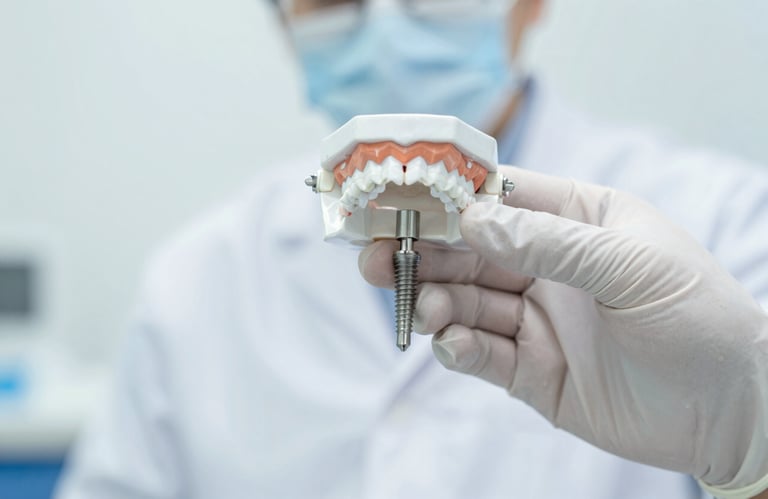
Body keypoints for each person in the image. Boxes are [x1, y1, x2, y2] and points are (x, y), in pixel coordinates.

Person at [57, 0, 768, 498]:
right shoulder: (195, 282)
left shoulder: (726, 221)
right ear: (285, 25)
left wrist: (751, 452)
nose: (389, 25)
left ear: (529, 3)